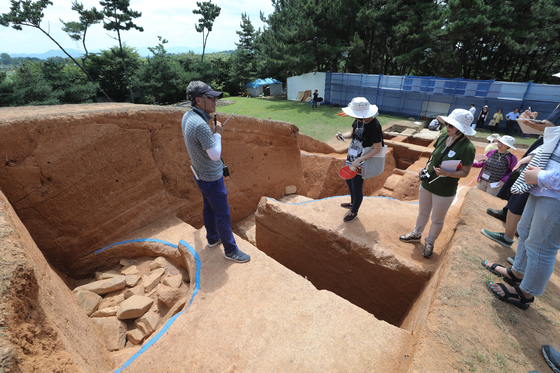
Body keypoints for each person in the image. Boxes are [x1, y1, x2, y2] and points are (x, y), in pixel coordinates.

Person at [483, 124, 560, 310]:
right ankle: (517, 272)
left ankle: (525, 294)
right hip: (541, 186)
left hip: (553, 190)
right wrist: (533, 158)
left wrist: (541, 176)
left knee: (542, 246)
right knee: (524, 230)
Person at [181, 81, 250, 263]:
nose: (215, 101)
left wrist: (211, 134)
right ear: (198, 100)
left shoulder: (188, 116)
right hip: (211, 177)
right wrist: (217, 133)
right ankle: (231, 250)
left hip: (200, 175)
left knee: (208, 207)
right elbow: (215, 155)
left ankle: (212, 238)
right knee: (223, 214)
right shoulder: (200, 125)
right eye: (210, 98)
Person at [484, 102, 560, 255]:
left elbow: (552, 131)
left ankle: (519, 253)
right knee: (518, 197)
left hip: (548, 165)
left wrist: (537, 125)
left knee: (524, 202)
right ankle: (519, 257)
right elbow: (551, 133)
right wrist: (534, 123)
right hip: (543, 152)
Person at [400, 109, 476, 258]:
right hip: (428, 183)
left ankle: (430, 242)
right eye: (447, 124)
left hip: (444, 190)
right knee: (423, 212)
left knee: (437, 219)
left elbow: (465, 172)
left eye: (451, 126)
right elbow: (434, 156)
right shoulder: (443, 136)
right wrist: (425, 169)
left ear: (461, 129)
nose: (447, 127)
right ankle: (416, 234)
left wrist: (447, 173)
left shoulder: (468, 147)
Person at [335, 97, 383, 223]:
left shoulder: (375, 126)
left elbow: (377, 148)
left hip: (363, 160)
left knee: (356, 186)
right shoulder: (358, 120)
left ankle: (354, 212)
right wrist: (342, 135)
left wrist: (359, 160)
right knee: (348, 180)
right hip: (352, 157)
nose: (355, 117)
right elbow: (352, 134)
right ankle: (352, 202)